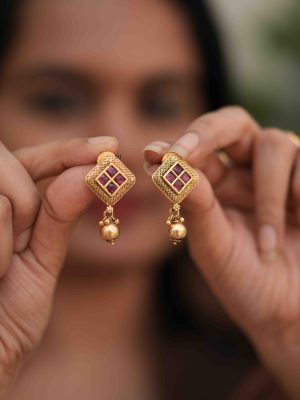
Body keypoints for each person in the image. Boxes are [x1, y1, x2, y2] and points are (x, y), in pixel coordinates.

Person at [0, 0, 299, 398]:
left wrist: (290, 334)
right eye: (57, 100)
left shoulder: (268, 372)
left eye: (160, 104)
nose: (119, 142)